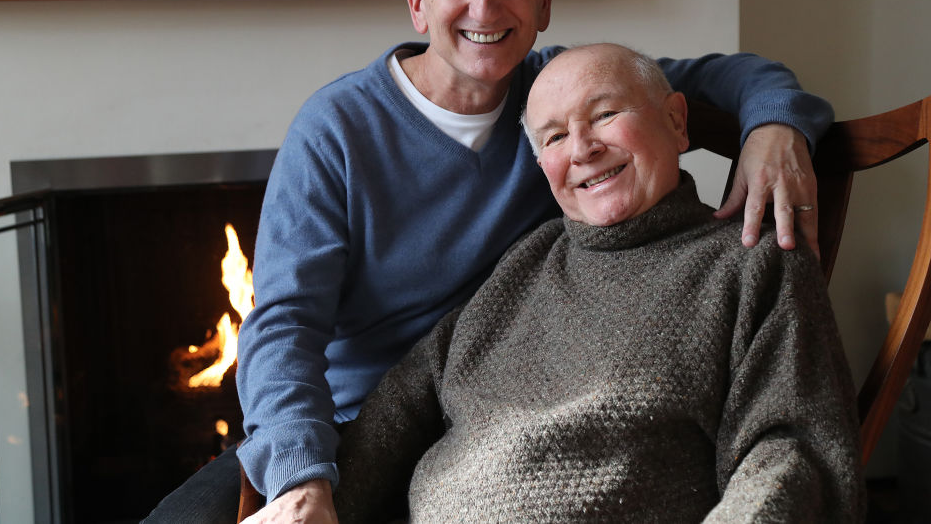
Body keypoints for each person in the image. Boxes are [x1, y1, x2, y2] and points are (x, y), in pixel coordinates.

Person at [144, 0, 833, 524]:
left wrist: (775, 124)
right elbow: (284, 324)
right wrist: (303, 474)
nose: (484, 7)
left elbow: (724, 78)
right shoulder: (337, 130)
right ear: (417, 0)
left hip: (493, 418)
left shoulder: (561, 92)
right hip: (348, 430)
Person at [331, 43, 864, 523]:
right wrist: (311, 497)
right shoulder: (528, 261)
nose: (582, 149)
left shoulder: (750, 266)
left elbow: (790, 451)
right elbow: (400, 405)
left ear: (678, 122)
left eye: (605, 115)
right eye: (556, 136)